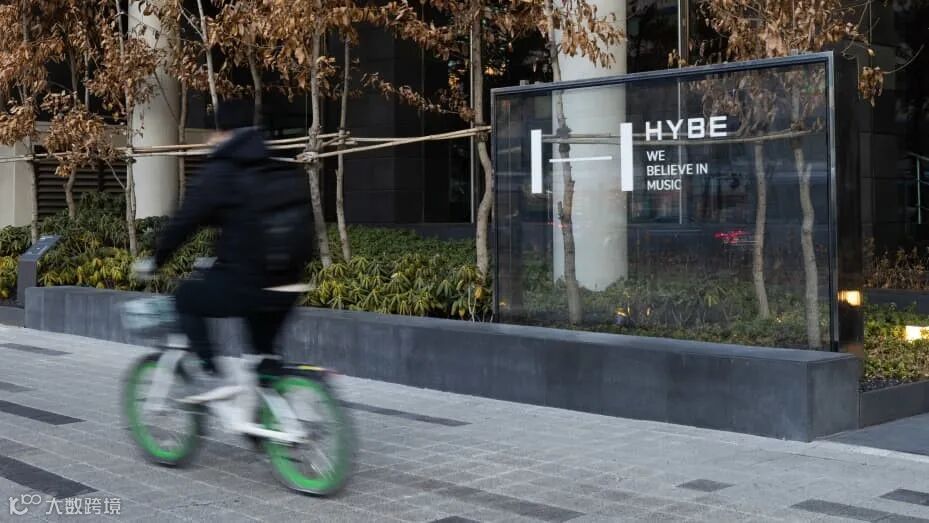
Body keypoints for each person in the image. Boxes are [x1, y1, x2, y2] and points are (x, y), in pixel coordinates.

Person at [137, 99, 312, 404]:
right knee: (261, 359)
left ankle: (211, 374)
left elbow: (185, 221)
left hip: (248, 281)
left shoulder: (223, 169)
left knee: (185, 298)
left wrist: (156, 259)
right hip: (290, 282)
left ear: (221, 132)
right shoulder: (276, 164)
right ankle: (272, 420)